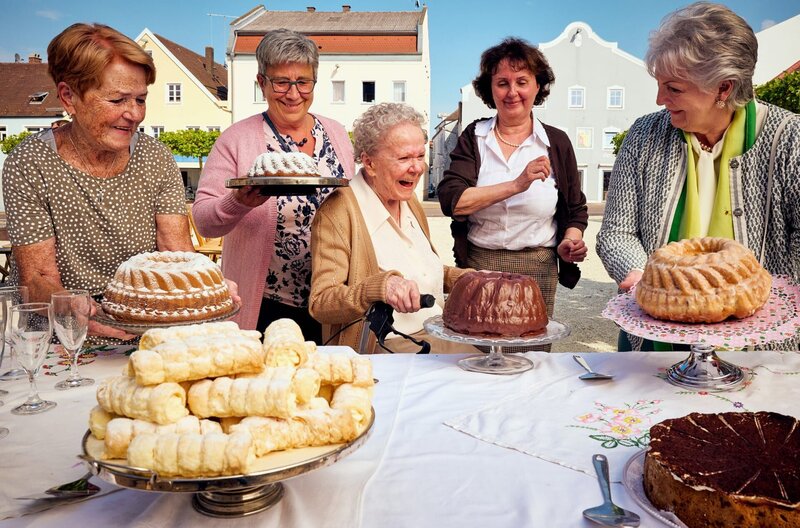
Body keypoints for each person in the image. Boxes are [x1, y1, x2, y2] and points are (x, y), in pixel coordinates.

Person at [596, 2, 800, 351]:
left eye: (674, 88)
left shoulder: (790, 139)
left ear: (724, 88)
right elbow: (617, 232)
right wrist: (646, 279)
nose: (660, 99)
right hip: (654, 339)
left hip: (758, 351)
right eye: (659, 85)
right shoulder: (644, 136)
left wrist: (758, 293)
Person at [1, 23, 200, 341]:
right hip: (58, 339)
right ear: (69, 97)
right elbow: (37, 278)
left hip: (144, 331)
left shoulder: (156, 157)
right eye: (118, 100)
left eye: (140, 99)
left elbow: (178, 256)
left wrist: (208, 288)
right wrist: (74, 307)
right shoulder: (30, 162)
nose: (134, 114)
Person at [193, 29, 354, 341]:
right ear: (262, 82)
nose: (293, 94)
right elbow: (203, 221)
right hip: (265, 304)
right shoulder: (236, 139)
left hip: (331, 300)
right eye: (281, 82)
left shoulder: (336, 133)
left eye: (303, 82)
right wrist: (238, 202)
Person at [437, 37, 588, 351]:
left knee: (531, 360)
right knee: (477, 356)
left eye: (522, 81)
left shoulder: (556, 142)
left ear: (537, 86)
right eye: (502, 83)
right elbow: (453, 201)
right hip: (480, 267)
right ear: (490, 89)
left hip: (537, 270)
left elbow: (575, 210)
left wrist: (570, 241)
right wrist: (517, 185)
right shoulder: (474, 136)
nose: (512, 92)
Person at [309, 103, 474, 354]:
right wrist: (381, 288)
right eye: (404, 158)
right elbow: (321, 302)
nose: (417, 168)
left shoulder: (410, 201)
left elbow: (420, 269)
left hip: (437, 334)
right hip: (385, 348)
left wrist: (465, 279)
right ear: (369, 163)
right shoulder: (338, 211)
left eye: (420, 156)